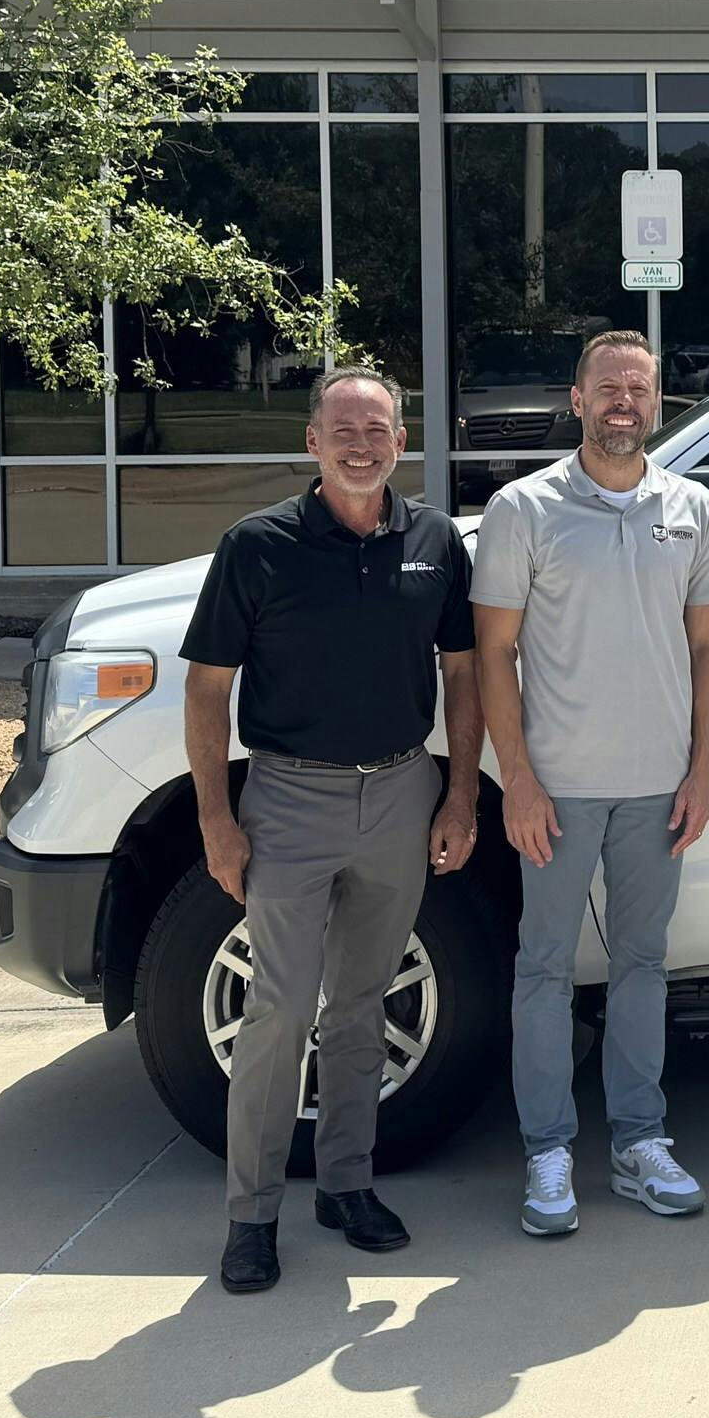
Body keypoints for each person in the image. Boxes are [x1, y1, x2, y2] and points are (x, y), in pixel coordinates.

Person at [181, 366, 483, 1295]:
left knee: (360, 1003)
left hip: (401, 792)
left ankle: (347, 1184)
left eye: (379, 428)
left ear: (403, 440)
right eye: (344, 428)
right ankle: (253, 1214)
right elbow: (207, 690)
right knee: (278, 1011)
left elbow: (465, 675)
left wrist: (462, 793)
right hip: (290, 800)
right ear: (312, 441)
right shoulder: (257, 546)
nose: (363, 443)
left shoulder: (434, 539)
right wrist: (217, 822)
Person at [473, 329, 709, 1237]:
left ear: (658, 402)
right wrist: (520, 782)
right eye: (607, 387)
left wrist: (699, 770)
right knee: (542, 968)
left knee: (642, 965)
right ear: (576, 401)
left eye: (640, 388)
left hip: (658, 788)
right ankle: (547, 1150)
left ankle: (637, 1141)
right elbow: (492, 653)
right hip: (559, 789)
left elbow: (707, 646)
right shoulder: (523, 509)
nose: (624, 401)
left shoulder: (693, 507)